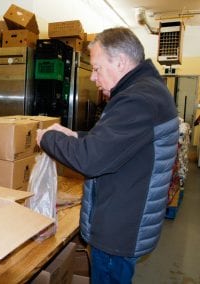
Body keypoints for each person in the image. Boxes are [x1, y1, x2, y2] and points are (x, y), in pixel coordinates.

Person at [36, 27, 179, 283]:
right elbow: (118, 144)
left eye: (97, 68)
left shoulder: (139, 99)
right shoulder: (145, 91)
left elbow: (91, 160)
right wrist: (74, 136)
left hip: (119, 229)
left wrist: (47, 138)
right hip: (125, 216)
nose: (93, 77)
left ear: (121, 62)